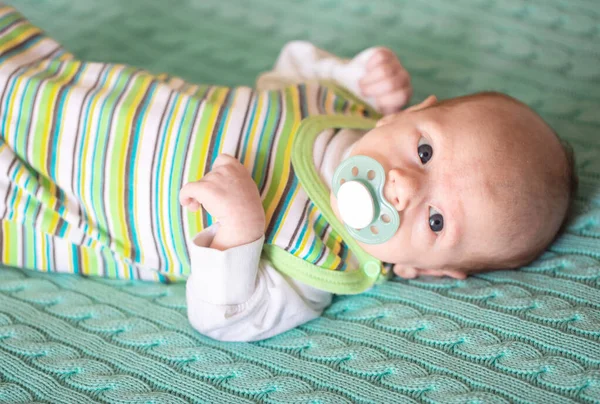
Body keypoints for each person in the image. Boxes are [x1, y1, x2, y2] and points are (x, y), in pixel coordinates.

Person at [0, 5, 576, 341]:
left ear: (423, 271)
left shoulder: (320, 267)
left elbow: (224, 318)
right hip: (91, 98)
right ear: (412, 113)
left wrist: (241, 232)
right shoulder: (338, 110)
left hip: (59, 196)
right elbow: (285, 73)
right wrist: (349, 74)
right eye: (425, 153)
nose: (403, 186)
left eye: (436, 219)